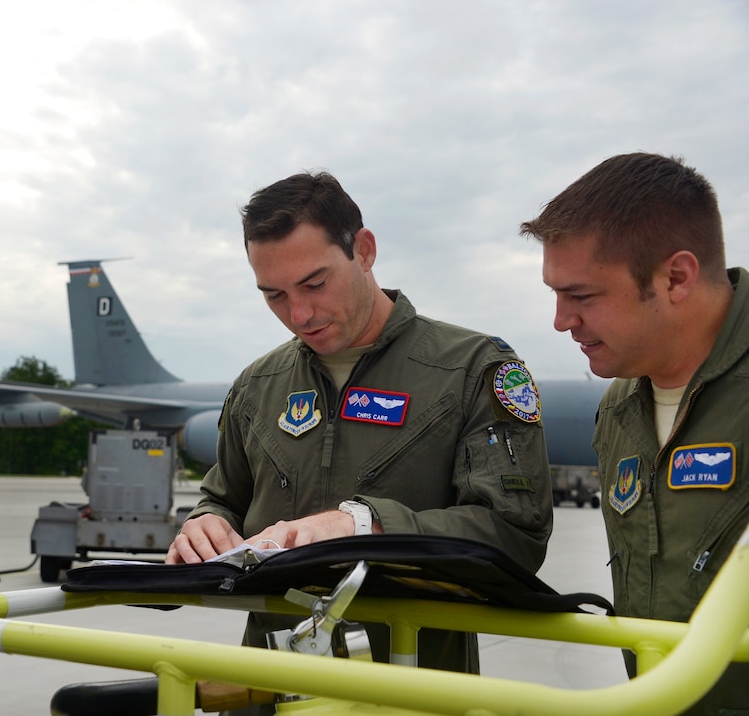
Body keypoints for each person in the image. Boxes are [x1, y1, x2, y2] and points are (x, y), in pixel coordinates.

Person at [167, 171, 553, 711]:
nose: (298, 315)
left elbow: (515, 532)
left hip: (412, 691)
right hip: (267, 687)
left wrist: (366, 526)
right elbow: (223, 497)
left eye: (315, 284)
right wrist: (203, 524)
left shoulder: (471, 370)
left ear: (364, 250)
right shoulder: (258, 386)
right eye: (274, 295)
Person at [520, 152, 748, 714]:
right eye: (555, 295)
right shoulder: (620, 410)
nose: (560, 320)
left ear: (675, 278)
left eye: (582, 296)